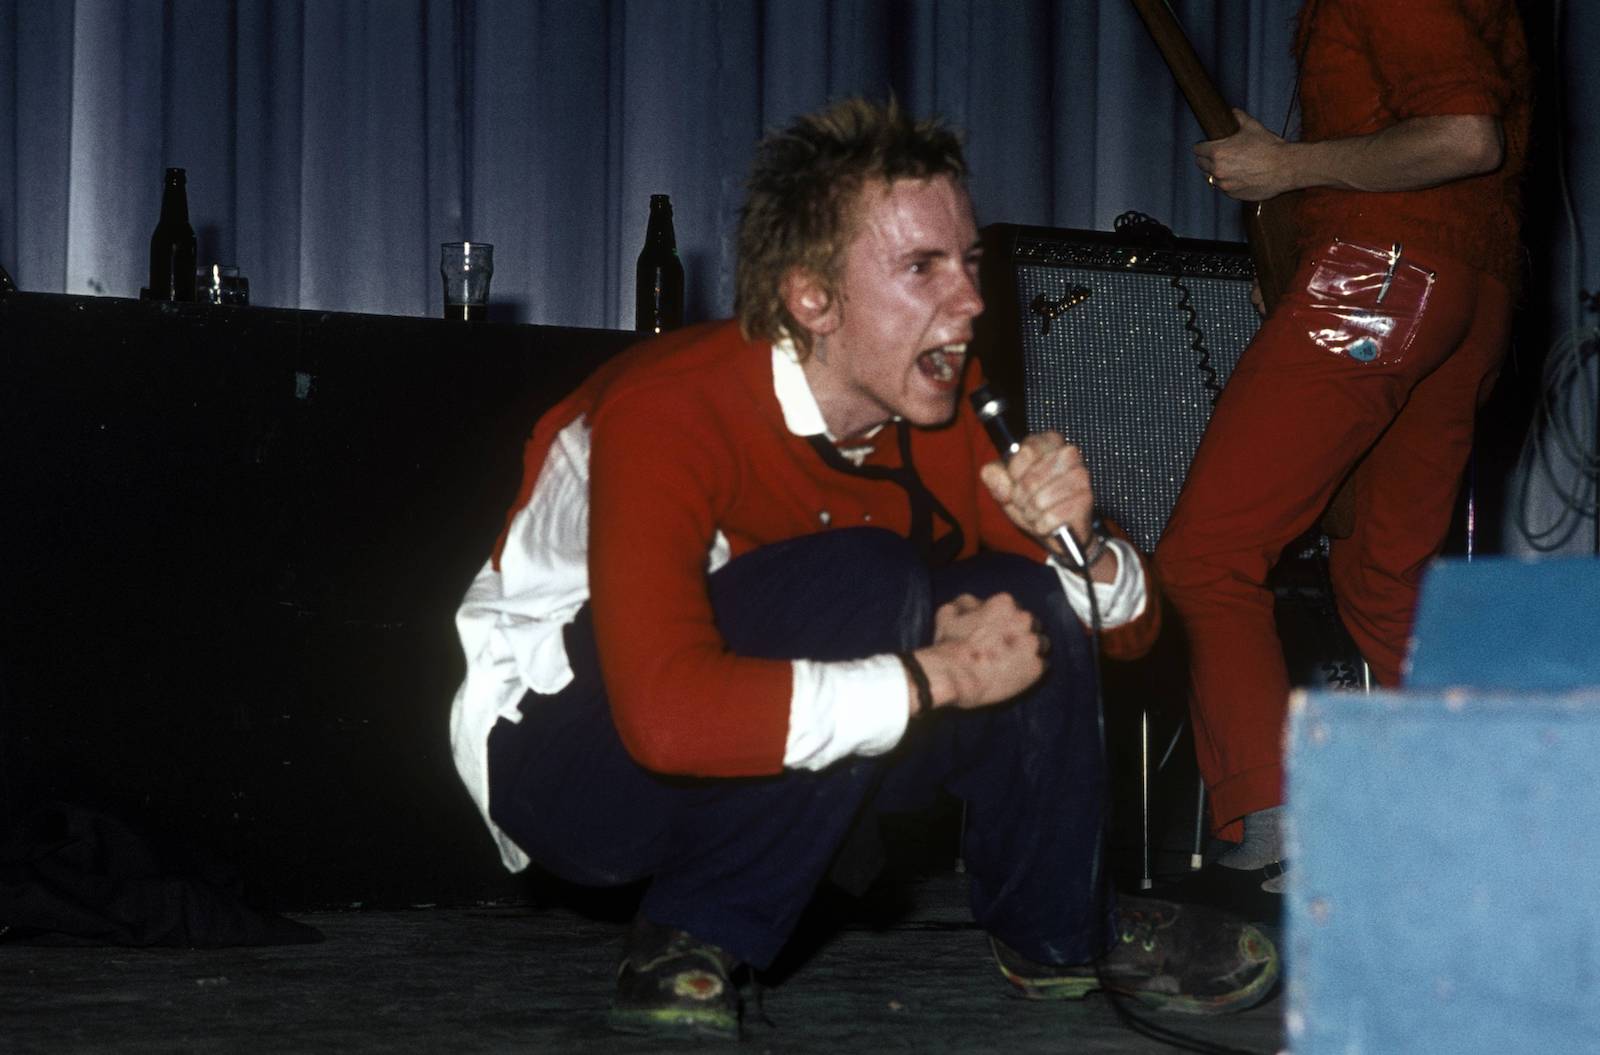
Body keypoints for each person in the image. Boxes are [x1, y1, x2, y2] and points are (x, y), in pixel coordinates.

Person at [448, 97, 1277, 1039]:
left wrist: (1078, 542)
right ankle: (692, 930)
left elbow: (1121, 631)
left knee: (1026, 595)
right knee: (871, 578)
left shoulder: (939, 401)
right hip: (570, 761)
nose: (969, 299)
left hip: (771, 719)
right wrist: (935, 677)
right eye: (922, 267)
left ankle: (1063, 929)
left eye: (966, 263)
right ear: (812, 298)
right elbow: (668, 722)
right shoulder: (666, 411)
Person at [1155, 0, 1531, 909]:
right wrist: (1296, 209)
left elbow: (1461, 137)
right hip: (1465, 296)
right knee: (1385, 584)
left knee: (1207, 556)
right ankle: (1475, 834)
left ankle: (1270, 830)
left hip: (1383, 277)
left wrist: (1286, 168)